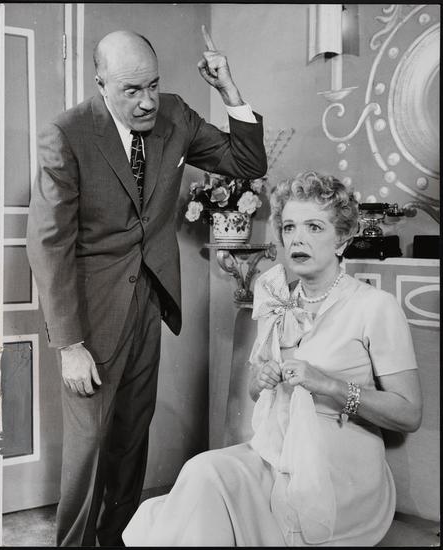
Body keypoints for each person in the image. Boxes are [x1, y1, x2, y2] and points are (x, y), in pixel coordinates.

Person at [26, 26, 267, 547]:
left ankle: (117, 538)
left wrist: (229, 90)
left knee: (133, 436)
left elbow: (248, 164)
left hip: (149, 300)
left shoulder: (175, 115)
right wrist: (69, 345)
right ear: (101, 84)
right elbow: (48, 244)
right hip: (89, 312)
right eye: (131, 90)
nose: (147, 101)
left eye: (153, 85)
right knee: (89, 446)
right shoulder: (67, 133)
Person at [122, 170, 423, 547]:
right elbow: (254, 391)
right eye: (290, 227)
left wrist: (329, 385)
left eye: (314, 227)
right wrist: (261, 378)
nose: (297, 238)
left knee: (205, 491)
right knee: (202, 470)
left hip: (339, 468)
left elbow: (409, 413)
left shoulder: (375, 306)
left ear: (343, 239)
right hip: (277, 452)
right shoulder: (277, 296)